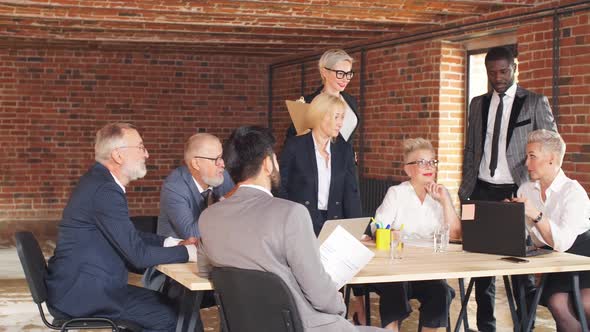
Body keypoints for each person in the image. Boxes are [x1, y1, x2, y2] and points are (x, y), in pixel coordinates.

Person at [197, 125, 386, 332]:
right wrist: (338, 303)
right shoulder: (291, 214)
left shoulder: (208, 217)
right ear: (268, 164)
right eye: (275, 158)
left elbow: (207, 271)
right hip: (303, 325)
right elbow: (320, 296)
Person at [45, 123, 197, 332]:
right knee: (178, 318)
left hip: (81, 287)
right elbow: (138, 256)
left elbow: (129, 236)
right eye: (141, 147)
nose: (147, 154)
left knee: (179, 311)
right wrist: (188, 252)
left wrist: (173, 242)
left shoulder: (100, 182)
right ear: (118, 155)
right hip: (84, 295)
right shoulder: (105, 190)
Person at [458, 46, 557, 332]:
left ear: (514, 68)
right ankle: (485, 327)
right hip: (480, 190)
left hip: (516, 191)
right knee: (481, 268)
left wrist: (539, 188)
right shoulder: (478, 104)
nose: (498, 77)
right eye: (492, 72)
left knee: (519, 268)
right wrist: (466, 188)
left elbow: (551, 145)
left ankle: (523, 325)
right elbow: (471, 148)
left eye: (503, 71)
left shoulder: (535, 102)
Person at [363, 138, 458, 332]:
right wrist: (390, 233)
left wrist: (445, 202)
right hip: (397, 269)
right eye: (421, 162)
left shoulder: (441, 194)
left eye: (432, 162)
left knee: (441, 291)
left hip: (427, 270)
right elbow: (377, 228)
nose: (428, 166)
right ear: (408, 169)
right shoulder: (396, 193)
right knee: (393, 286)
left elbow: (455, 235)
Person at [142, 133, 234, 331]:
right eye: (215, 159)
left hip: (210, 264)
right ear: (196, 163)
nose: (223, 164)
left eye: (222, 157)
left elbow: (241, 217)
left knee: (243, 297)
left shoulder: (220, 177)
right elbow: (192, 234)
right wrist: (226, 207)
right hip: (173, 274)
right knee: (189, 323)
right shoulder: (174, 187)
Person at [512, 130, 590, 332]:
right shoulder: (525, 190)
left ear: (552, 159)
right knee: (557, 303)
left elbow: (562, 243)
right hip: (554, 261)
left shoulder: (573, 192)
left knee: (586, 302)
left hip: (583, 257)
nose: (527, 163)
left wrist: (535, 214)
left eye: (532, 156)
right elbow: (532, 239)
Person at [279, 93, 361, 236]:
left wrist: (358, 231)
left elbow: (351, 193)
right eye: (336, 117)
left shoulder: (344, 150)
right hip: (300, 225)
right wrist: (289, 221)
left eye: (342, 117)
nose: (340, 123)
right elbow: (280, 187)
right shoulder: (295, 146)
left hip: (335, 226)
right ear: (320, 115)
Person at [286, 48, 359, 144]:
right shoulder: (308, 103)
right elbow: (292, 140)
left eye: (348, 74)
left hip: (348, 158)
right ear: (324, 72)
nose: (345, 79)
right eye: (340, 73)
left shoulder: (351, 100)